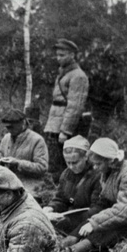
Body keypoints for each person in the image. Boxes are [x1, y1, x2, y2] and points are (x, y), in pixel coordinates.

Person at [44, 39, 89, 181]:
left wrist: (65, 130)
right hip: (56, 121)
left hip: (66, 126)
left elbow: (75, 106)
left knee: (69, 160)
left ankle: (68, 187)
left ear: (72, 55)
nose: (58, 58)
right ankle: (59, 186)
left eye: (62, 55)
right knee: (56, 160)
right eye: (57, 55)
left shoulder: (78, 76)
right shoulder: (64, 73)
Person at [42, 135, 102, 237]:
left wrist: (69, 219)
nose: (71, 166)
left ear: (86, 157)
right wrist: (51, 207)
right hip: (69, 217)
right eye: (67, 162)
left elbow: (97, 208)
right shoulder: (66, 174)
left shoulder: (97, 176)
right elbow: (61, 199)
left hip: (88, 221)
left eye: (75, 162)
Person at [0, 109, 50, 200]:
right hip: (9, 181)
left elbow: (42, 167)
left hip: (30, 183)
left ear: (23, 123)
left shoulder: (37, 140)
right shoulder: (6, 138)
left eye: (12, 127)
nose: (9, 130)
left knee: (20, 199)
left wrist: (18, 163)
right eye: (7, 127)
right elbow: (1, 155)